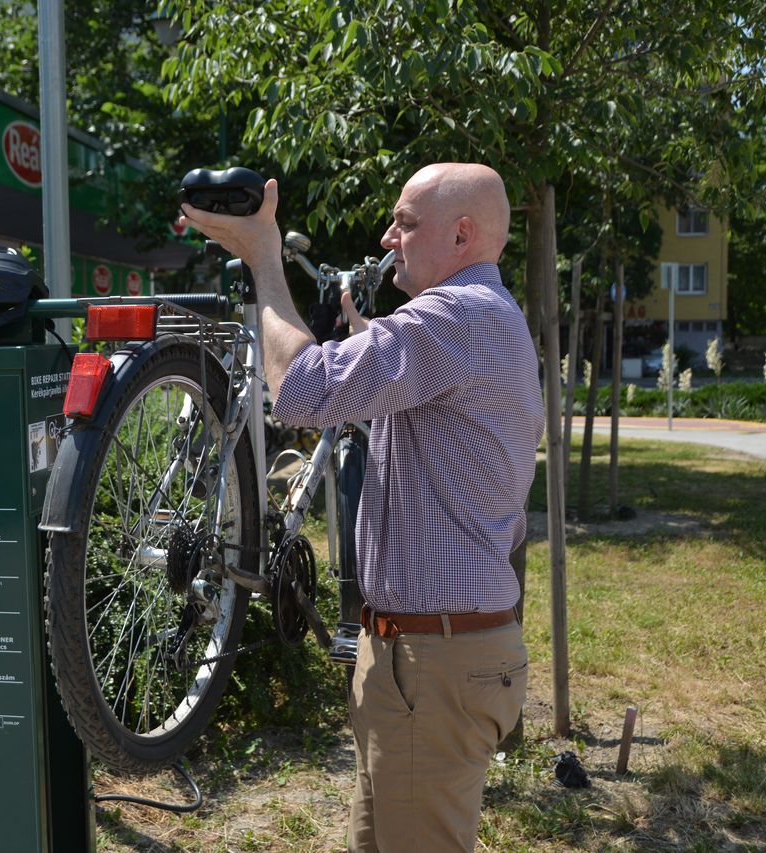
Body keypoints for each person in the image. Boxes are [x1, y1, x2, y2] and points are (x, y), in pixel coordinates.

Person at [180, 163, 543, 852]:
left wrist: (263, 255)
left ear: (463, 234)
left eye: (406, 222)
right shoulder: (487, 319)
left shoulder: (454, 317)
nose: (387, 235)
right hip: (430, 653)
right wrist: (371, 341)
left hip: (434, 660)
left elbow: (305, 392)